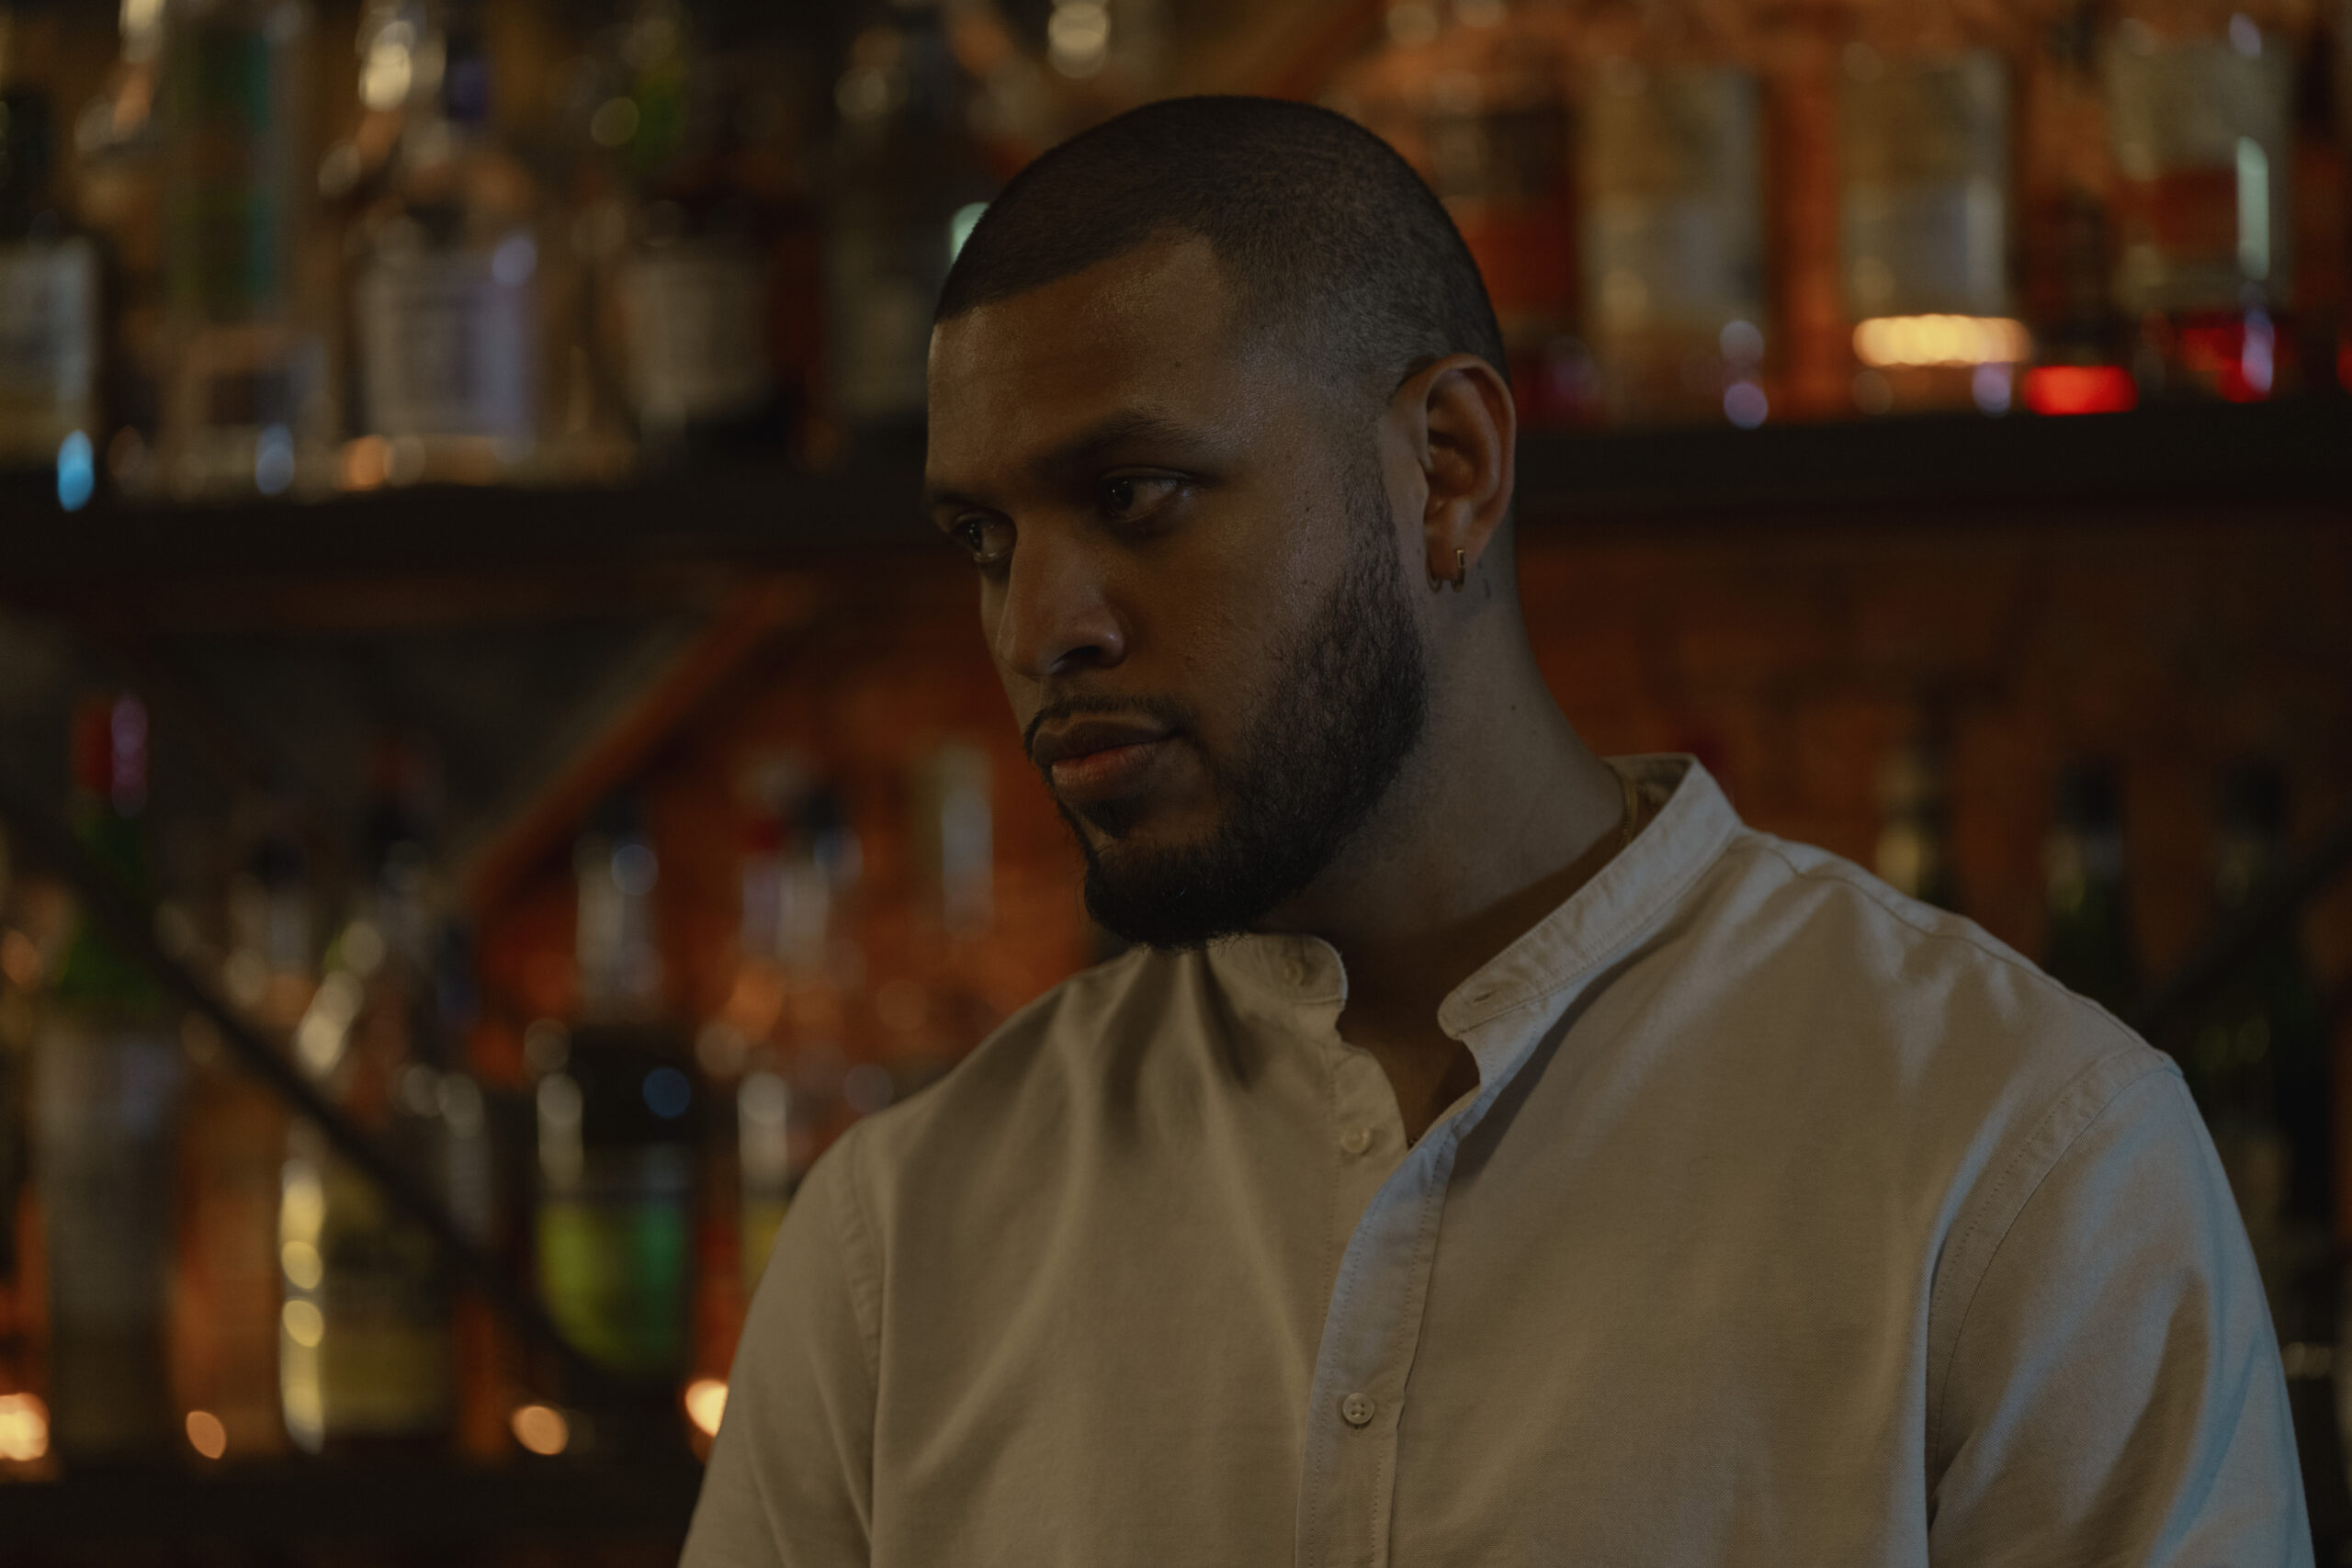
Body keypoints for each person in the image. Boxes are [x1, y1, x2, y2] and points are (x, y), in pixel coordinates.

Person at [684, 96, 2305, 1566]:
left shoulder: (2015, 1162)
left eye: (1139, 496)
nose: (1042, 626)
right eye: (983, 539)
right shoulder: (903, 1245)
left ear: (1446, 468)